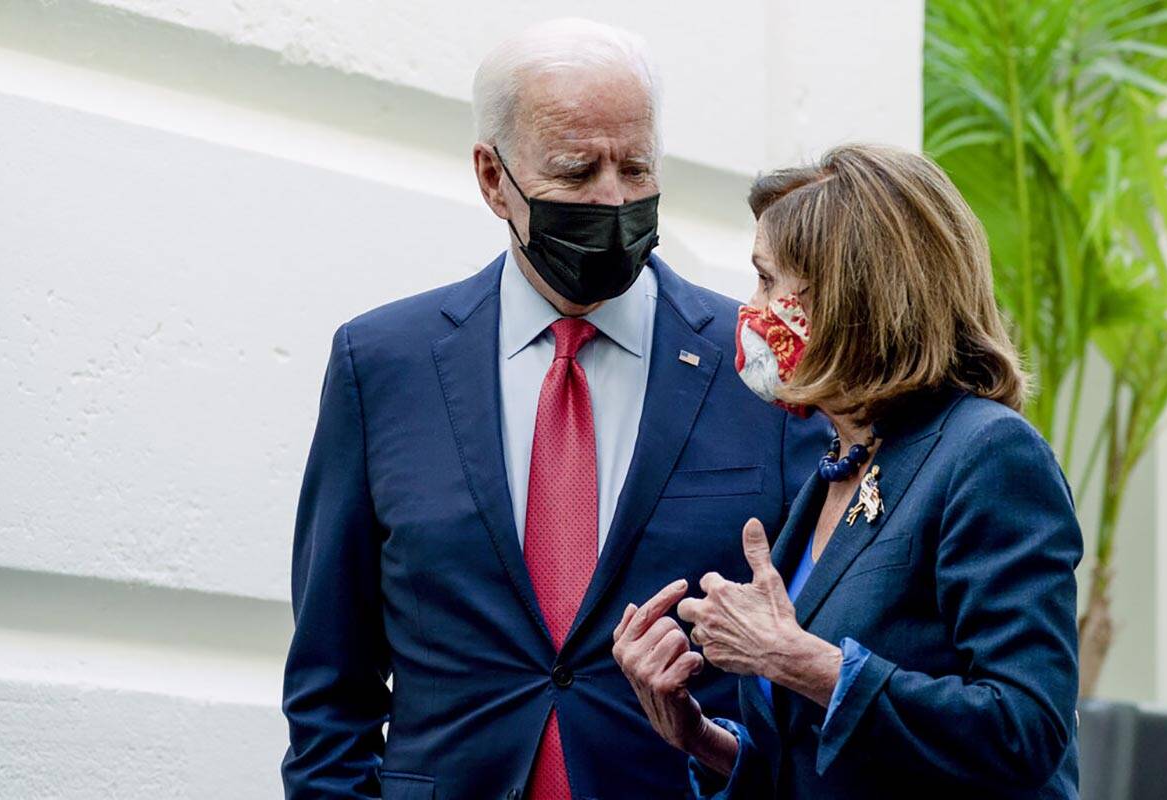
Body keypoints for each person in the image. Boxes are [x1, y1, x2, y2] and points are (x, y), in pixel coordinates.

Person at [279, 18, 823, 800]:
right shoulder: (383, 367)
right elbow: (332, 690)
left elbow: (815, 659)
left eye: (636, 168)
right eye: (576, 170)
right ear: (492, 178)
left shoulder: (760, 369)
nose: (612, 198)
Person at [613, 144, 1083, 799]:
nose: (750, 309)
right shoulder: (840, 464)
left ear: (851, 297)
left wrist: (796, 659)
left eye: (769, 280)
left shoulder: (988, 454)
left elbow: (1024, 730)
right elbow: (819, 762)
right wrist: (698, 738)